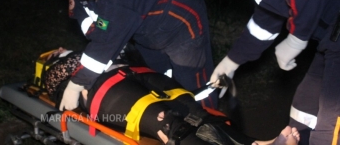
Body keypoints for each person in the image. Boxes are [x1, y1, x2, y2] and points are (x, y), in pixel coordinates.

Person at [190, 0, 340, 145]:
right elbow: (265, 23)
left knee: (330, 127)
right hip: (331, 38)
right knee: (303, 111)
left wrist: (297, 38)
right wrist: (231, 62)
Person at [57, 0, 217, 112]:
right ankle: (175, 118)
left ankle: (212, 123)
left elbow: (107, 39)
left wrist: (77, 83)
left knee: (193, 85)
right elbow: (95, 29)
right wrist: (110, 52)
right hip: (144, 27)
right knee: (159, 79)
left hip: (180, 19)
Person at [44, 48, 300, 145]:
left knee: (190, 107)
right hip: (104, 87)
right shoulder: (54, 73)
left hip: (134, 72)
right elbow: (61, 93)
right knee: (165, 120)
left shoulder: (95, 42)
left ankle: (255, 144)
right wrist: (64, 63)